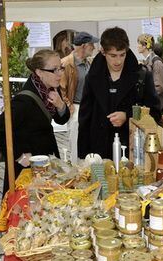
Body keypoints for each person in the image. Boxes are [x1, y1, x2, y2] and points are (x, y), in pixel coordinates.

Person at [0, 49, 70, 197]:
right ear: (39, 72)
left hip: (45, 162)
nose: (59, 74)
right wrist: (20, 157)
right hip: (27, 169)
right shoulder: (24, 101)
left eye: (61, 68)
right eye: (54, 69)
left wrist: (60, 105)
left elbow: (61, 119)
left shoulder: (49, 89)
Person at [78, 27, 162, 159]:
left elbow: (155, 113)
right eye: (113, 56)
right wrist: (83, 156)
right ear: (103, 52)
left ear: (127, 51)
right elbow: (84, 118)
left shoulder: (142, 76)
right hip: (99, 152)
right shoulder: (92, 77)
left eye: (122, 55)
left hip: (132, 152)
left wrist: (128, 116)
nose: (118, 61)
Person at [60, 31, 99, 163]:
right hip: (76, 108)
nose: (94, 47)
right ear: (83, 46)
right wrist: (70, 108)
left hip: (89, 108)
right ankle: (77, 170)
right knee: (76, 142)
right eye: (91, 44)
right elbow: (61, 90)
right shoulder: (65, 64)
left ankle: (88, 169)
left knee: (90, 140)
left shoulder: (89, 62)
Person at [137, 34, 163, 110]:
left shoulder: (156, 62)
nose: (137, 46)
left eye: (139, 43)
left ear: (145, 46)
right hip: (150, 104)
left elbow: (160, 86)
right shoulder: (146, 61)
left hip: (155, 105)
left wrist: (147, 94)